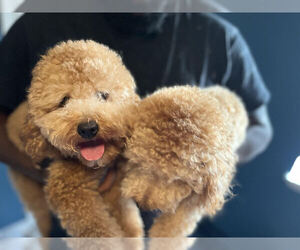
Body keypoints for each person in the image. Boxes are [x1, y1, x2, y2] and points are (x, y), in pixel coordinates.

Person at [0, 13, 273, 236]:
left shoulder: (219, 37)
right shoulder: (39, 23)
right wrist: (57, 171)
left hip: (176, 220)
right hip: (85, 221)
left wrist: (204, 160)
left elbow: (260, 127)